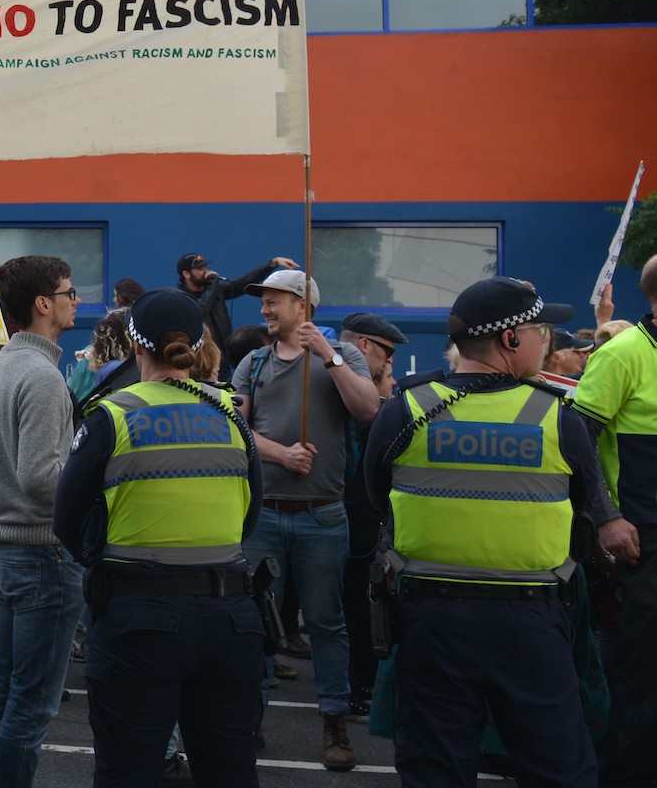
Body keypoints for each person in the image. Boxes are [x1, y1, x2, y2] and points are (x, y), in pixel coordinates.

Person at [364, 276, 638, 787]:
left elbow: (379, 499)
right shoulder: (556, 417)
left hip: (431, 618)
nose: (547, 340)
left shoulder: (406, 409)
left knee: (435, 770)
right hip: (530, 620)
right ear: (510, 339)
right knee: (558, 767)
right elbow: (582, 508)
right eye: (540, 329)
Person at [55, 289, 265, 787]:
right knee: (230, 769)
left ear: (134, 343)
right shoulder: (232, 413)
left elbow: (66, 518)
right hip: (231, 616)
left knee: (127, 769)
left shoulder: (113, 414)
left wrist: (100, 558)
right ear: (197, 342)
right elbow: (250, 513)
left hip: (139, 617)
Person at [229, 269, 377, 770]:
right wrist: (281, 455)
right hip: (263, 516)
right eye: (264, 302)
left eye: (275, 301)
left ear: (303, 305)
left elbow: (368, 410)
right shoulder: (252, 362)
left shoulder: (345, 357)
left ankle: (333, 722)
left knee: (326, 624)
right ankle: (249, 718)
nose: (266, 310)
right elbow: (237, 429)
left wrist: (330, 356)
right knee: (255, 624)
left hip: (323, 514)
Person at [0, 254, 84, 788]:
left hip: (7, 551)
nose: (75, 299)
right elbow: (42, 480)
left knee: (2, 691)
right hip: (42, 555)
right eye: (68, 291)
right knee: (30, 706)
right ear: (43, 304)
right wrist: (93, 491)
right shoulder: (41, 377)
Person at [572, 256, 656, 786]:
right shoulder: (623, 353)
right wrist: (607, 518)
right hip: (642, 543)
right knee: (640, 679)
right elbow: (577, 440)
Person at [336, 312, 406, 717]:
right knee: (351, 605)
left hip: (357, 511)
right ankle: (352, 685)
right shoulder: (350, 392)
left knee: (355, 604)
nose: (390, 366)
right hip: (350, 510)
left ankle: (356, 682)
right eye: (388, 354)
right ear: (364, 346)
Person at [176, 252, 299, 349]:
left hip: (223, 354)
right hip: (202, 355)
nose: (205, 271)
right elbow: (200, 310)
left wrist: (271, 264)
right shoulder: (182, 298)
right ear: (186, 274)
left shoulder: (214, 289)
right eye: (199, 268)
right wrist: (213, 283)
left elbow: (242, 284)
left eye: (205, 267)